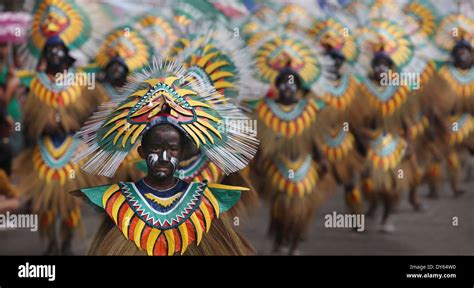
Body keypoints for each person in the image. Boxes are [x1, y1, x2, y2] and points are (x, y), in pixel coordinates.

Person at [72, 57, 258, 255]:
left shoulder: (204, 201)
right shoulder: (120, 201)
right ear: (142, 153)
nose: (163, 156)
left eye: (172, 149)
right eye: (156, 147)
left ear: (182, 153)